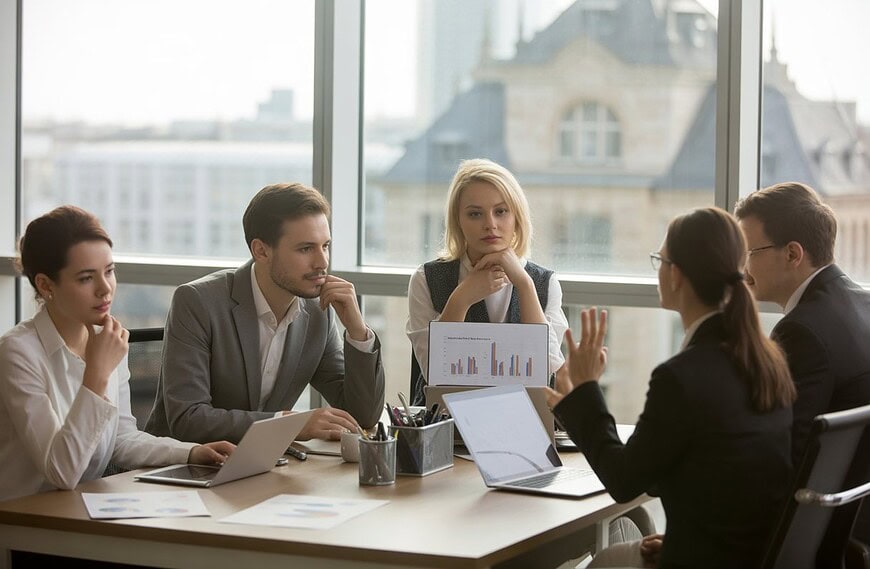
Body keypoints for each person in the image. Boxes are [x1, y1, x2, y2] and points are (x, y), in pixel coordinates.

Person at [548, 207, 796, 568]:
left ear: (676, 274)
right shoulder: (767, 362)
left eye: (659, 261)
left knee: (604, 562)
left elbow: (624, 481)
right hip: (743, 556)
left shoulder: (680, 377)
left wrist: (586, 389)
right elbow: (722, 473)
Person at [0, 206, 234, 502]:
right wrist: (96, 374)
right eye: (86, 278)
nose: (105, 289)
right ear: (46, 285)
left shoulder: (107, 339)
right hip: (26, 516)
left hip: (84, 508)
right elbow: (62, 472)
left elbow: (121, 439)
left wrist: (192, 452)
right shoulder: (18, 352)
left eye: (109, 271)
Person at [145, 183, 385, 444]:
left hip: (264, 462)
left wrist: (358, 331)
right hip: (182, 463)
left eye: (325, 246)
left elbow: (362, 416)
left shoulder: (318, 311)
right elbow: (188, 419)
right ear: (261, 250)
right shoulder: (198, 302)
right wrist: (289, 425)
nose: (322, 262)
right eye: (306, 249)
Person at [735, 182, 870, 555]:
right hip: (854, 527)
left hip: (814, 542)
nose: (742, 269)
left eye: (748, 253)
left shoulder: (802, 332)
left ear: (793, 253)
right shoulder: (863, 305)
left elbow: (778, 466)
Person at [406, 158, 568, 403]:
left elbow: (547, 370)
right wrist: (461, 299)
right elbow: (432, 371)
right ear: (458, 221)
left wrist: (525, 286)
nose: (490, 225)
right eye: (475, 214)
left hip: (523, 419)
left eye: (500, 212)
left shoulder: (544, 282)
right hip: (447, 419)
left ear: (516, 217)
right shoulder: (426, 279)